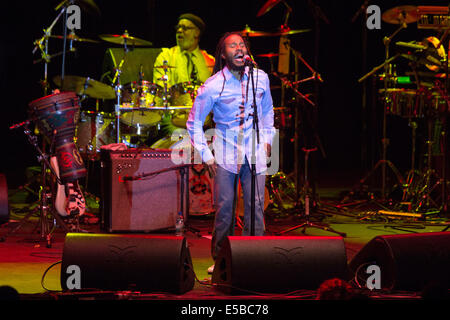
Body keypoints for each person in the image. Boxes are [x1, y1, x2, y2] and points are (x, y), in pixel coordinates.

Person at [186, 32, 276, 274]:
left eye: (242, 44)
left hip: (255, 149)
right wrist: (206, 155)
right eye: (232, 45)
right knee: (225, 208)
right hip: (226, 151)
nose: (239, 48)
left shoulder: (260, 78)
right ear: (223, 54)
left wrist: (268, 139)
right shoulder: (213, 85)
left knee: (256, 205)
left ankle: (253, 257)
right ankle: (222, 259)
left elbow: (268, 111)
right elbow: (193, 122)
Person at [152, 13, 215, 142]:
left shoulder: (210, 61)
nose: (180, 31)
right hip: (175, 119)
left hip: (204, 120)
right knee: (183, 139)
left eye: (185, 28)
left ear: (196, 33)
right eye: (178, 28)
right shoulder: (165, 57)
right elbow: (160, 92)